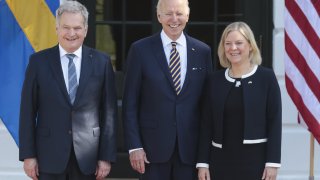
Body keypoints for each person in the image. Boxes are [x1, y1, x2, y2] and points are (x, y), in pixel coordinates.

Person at [19, 1, 117, 180]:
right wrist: (28, 155)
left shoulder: (101, 63)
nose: (71, 33)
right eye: (66, 27)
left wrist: (106, 156)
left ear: (86, 30)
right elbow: (27, 111)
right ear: (57, 29)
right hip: (48, 157)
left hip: (89, 158)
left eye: (77, 28)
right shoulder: (38, 62)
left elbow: (109, 113)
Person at [122, 0, 213, 179]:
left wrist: (204, 156)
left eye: (179, 13)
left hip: (190, 150)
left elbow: (206, 107)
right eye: (168, 13)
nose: (174, 19)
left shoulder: (202, 51)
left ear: (187, 16)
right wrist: (135, 146)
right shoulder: (140, 50)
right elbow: (130, 103)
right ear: (159, 16)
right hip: (151, 151)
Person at [197, 21, 282, 180]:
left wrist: (272, 163)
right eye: (228, 43)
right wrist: (203, 164)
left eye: (239, 43)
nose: (233, 48)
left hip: (256, 162)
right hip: (220, 162)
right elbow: (206, 124)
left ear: (250, 46)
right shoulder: (214, 81)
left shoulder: (266, 78)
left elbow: (274, 122)